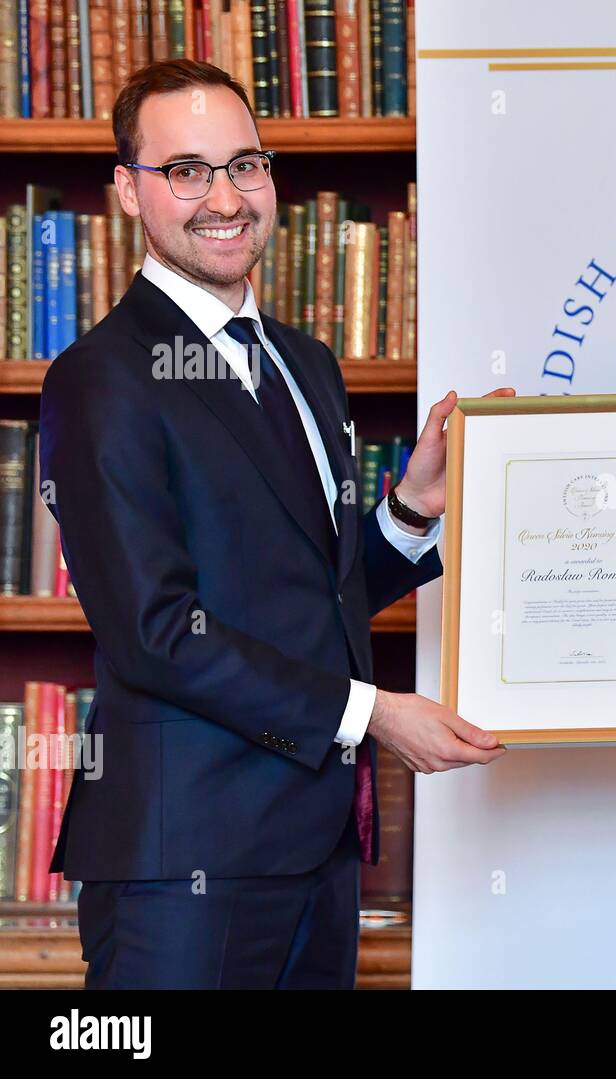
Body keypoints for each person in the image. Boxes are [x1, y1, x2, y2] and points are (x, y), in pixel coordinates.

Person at [39, 59, 507, 989]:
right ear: (128, 191)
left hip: (316, 855)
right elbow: (155, 633)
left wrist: (410, 510)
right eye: (186, 170)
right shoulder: (102, 378)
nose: (225, 197)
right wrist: (374, 715)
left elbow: (305, 597)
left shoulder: (306, 363)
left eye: (245, 165)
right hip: (181, 867)